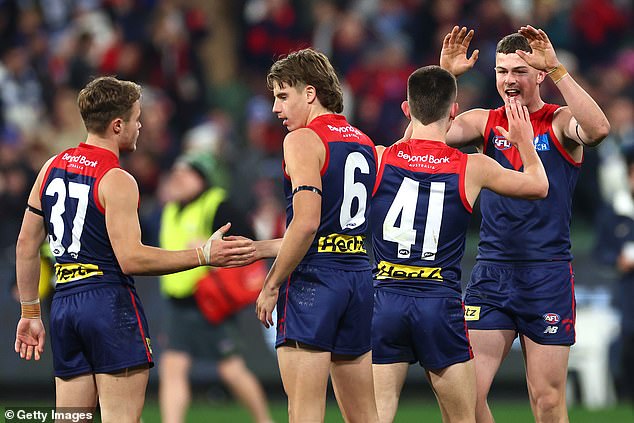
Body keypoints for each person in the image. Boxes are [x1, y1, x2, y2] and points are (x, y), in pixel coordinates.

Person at [13, 76, 255, 423]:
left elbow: (26, 244)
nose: (140, 125)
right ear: (117, 125)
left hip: (64, 303)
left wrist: (30, 313)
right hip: (108, 303)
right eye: (136, 117)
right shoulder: (117, 179)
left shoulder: (51, 167)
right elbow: (132, 258)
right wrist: (204, 255)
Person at [439, 25, 610, 422]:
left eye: (519, 71)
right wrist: (445, 76)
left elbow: (598, 130)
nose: (509, 80)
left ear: (537, 75)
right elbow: (425, 137)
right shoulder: (484, 121)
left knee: (547, 400)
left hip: (545, 274)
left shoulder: (558, 121)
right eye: (502, 71)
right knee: (465, 397)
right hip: (491, 273)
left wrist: (557, 69)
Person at [371, 65, 548, 423]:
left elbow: (408, 146)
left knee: (375, 415)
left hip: (384, 299)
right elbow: (538, 185)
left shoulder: (380, 157)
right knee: (463, 418)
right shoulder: (472, 166)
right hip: (439, 302)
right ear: (454, 110)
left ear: (406, 109)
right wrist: (524, 142)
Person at [253, 48, 379, 423]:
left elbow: (307, 225)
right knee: (364, 415)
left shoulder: (303, 140)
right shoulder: (364, 141)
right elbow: (331, 228)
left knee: (304, 411)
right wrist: (261, 247)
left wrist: (272, 283)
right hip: (357, 275)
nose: (276, 109)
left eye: (282, 95)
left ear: (310, 93)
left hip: (314, 280)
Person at [157, 152, 273, 423]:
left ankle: (265, 421)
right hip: (179, 302)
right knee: (172, 367)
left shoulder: (217, 204)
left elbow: (251, 243)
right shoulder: (172, 207)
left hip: (211, 301)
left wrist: (214, 251)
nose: (178, 178)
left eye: (186, 173)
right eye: (176, 174)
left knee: (231, 369)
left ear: (202, 178)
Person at [594, 146, 634, 405]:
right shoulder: (615, 210)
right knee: (628, 341)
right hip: (628, 290)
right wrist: (617, 260)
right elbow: (601, 252)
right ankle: (625, 397)